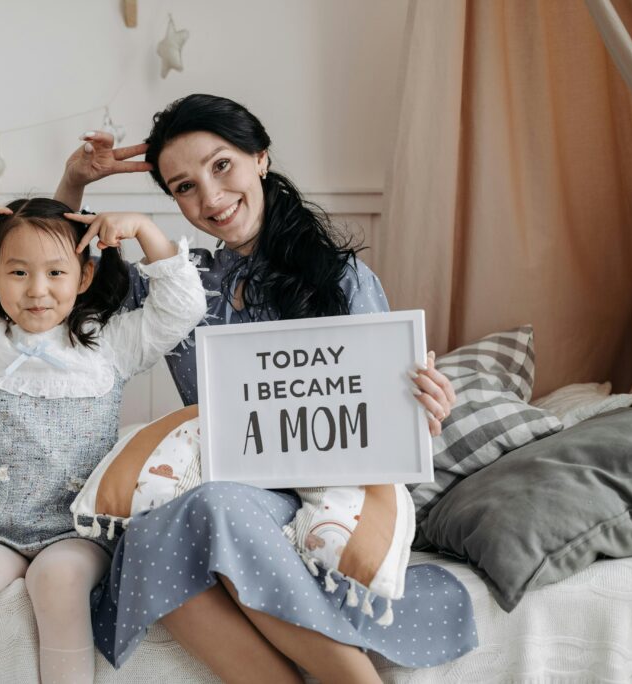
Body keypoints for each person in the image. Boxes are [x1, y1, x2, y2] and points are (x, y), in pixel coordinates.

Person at [55, 94, 478, 684]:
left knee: (209, 504)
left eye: (221, 165)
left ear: (260, 158)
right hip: (226, 488)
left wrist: (422, 413)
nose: (210, 198)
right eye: (183, 186)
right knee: (149, 534)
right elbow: (61, 276)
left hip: (319, 494)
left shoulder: (342, 279)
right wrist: (74, 182)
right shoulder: (182, 285)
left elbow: (385, 429)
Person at [0, 197, 206, 684]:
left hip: (73, 528)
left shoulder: (110, 344)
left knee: (59, 580)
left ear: (84, 277)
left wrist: (144, 229)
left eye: (55, 273)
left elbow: (183, 307)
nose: (38, 291)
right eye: (19, 273)